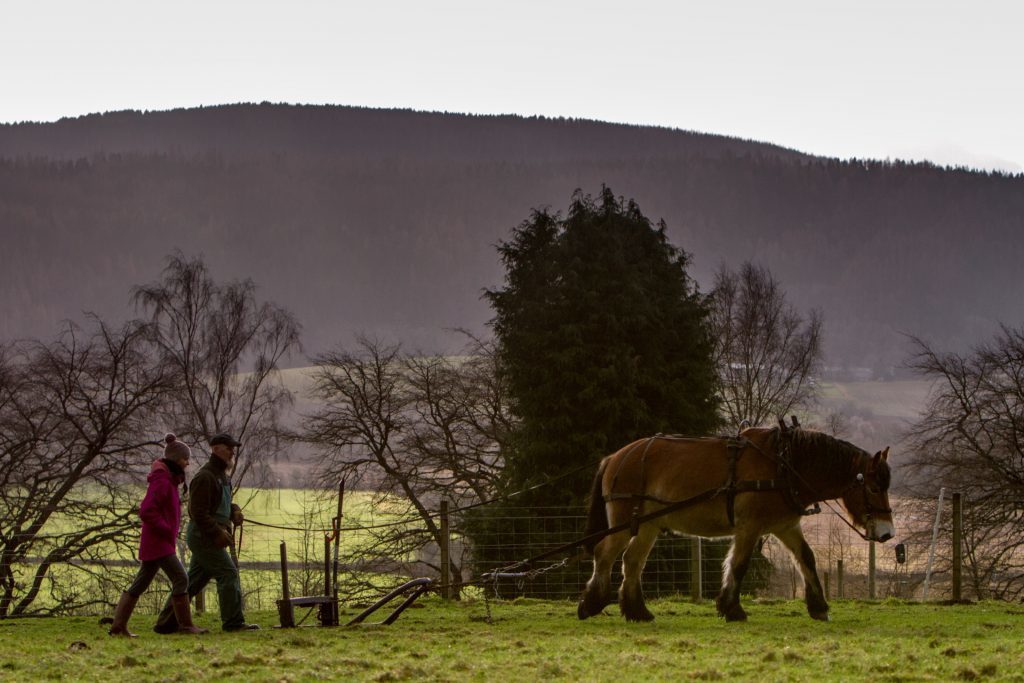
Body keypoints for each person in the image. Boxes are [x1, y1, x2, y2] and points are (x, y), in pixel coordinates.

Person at [153, 432, 259, 633]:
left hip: (209, 535)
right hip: (204, 536)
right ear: (216, 449)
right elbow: (198, 512)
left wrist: (235, 511)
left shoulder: (221, 477)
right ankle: (233, 623)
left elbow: (223, 503)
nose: (232, 453)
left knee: (192, 582)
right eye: (228, 449)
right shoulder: (205, 476)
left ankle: (166, 623)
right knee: (228, 573)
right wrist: (217, 533)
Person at [108, 434, 207, 636]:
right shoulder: (162, 481)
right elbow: (146, 511)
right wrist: (166, 529)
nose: (187, 463)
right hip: (159, 542)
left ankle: (118, 627)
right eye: (185, 459)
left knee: (141, 582)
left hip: (159, 542)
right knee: (181, 578)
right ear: (175, 459)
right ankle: (186, 626)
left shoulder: (168, 480)